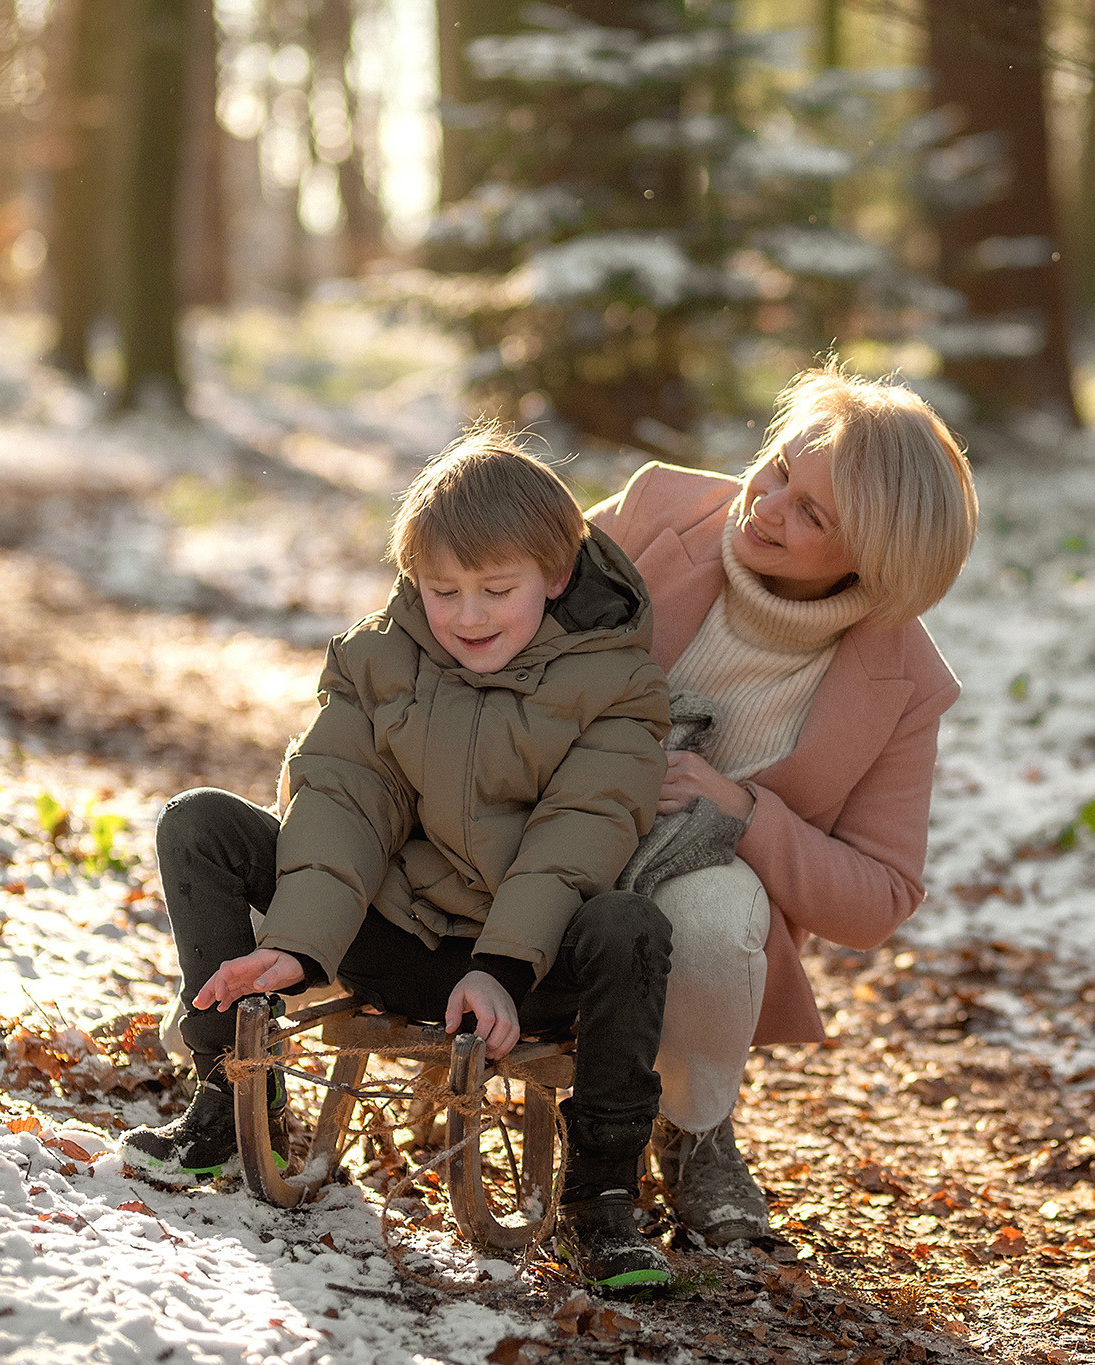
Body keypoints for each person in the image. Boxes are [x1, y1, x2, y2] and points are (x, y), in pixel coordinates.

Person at [121, 430, 677, 1289]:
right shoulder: (377, 658)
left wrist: (500, 965)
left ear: (558, 576)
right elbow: (344, 796)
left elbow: (578, 836)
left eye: (497, 589)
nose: (467, 615)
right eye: (442, 589)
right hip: (391, 934)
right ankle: (232, 1091)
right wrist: (302, 944)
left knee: (630, 925)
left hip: (522, 967)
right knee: (199, 823)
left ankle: (601, 1197)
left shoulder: (620, 686)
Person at [586, 366, 978, 1245]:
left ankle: (693, 1128)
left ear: (874, 562)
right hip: (544, 813)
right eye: (776, 474)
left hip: (694, 883)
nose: (767, 509)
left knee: (724, 910)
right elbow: (488, 599)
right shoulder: (656, 513)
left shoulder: (905, 682)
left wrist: (744, 810)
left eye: (814, 516)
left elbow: (880, 896)